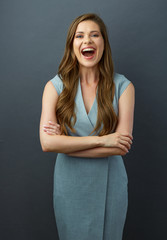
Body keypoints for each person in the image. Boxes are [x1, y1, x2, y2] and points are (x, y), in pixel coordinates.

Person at [39, 13, 135, 240]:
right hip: (69, 185)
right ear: (72, 45)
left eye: (95, 35)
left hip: (111, 184)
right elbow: (47, 143)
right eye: (79, 36)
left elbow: (120, 147)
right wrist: (104, 140)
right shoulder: (54, 87)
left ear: (103, 43)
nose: (87, 41)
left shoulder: (124, 87)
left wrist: (66, 143)